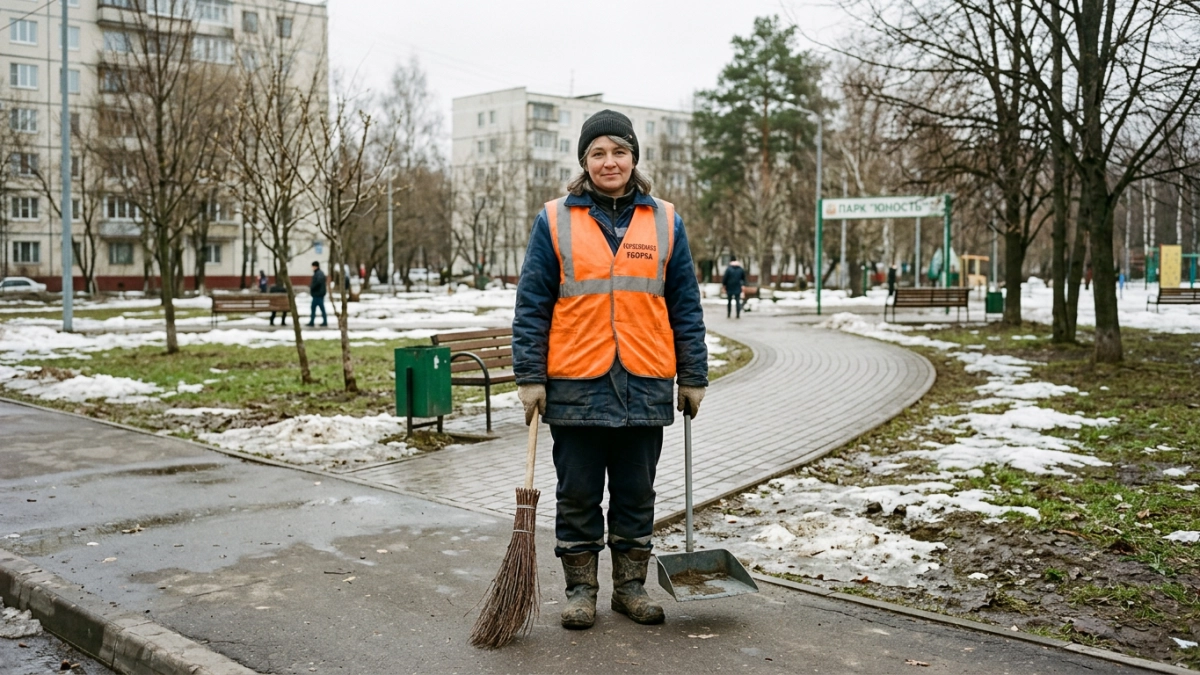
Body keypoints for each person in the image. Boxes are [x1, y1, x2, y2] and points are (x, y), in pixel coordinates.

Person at [513, 109, 707, 631]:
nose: (609, 161)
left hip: (644, 380)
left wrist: (693, 375)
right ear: (584, 161)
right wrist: (530, 376)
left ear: (634, 157)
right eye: (597, 152)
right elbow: (532, 303)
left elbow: (685, 304)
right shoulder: (554, 219)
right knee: (576, 494)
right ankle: (580, 591)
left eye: (618, 151)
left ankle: (630, 589)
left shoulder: (666, 220)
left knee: (635, 493)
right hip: (576, 381)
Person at [308, 261, 327, 327]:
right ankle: (314, 321)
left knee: (315, 308)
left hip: (318, 294)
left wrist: (312, 287)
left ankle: (313, 321)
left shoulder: (318, 274)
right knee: (319, 308)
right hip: (318, 294)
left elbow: (318, 282)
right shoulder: (319, 273)